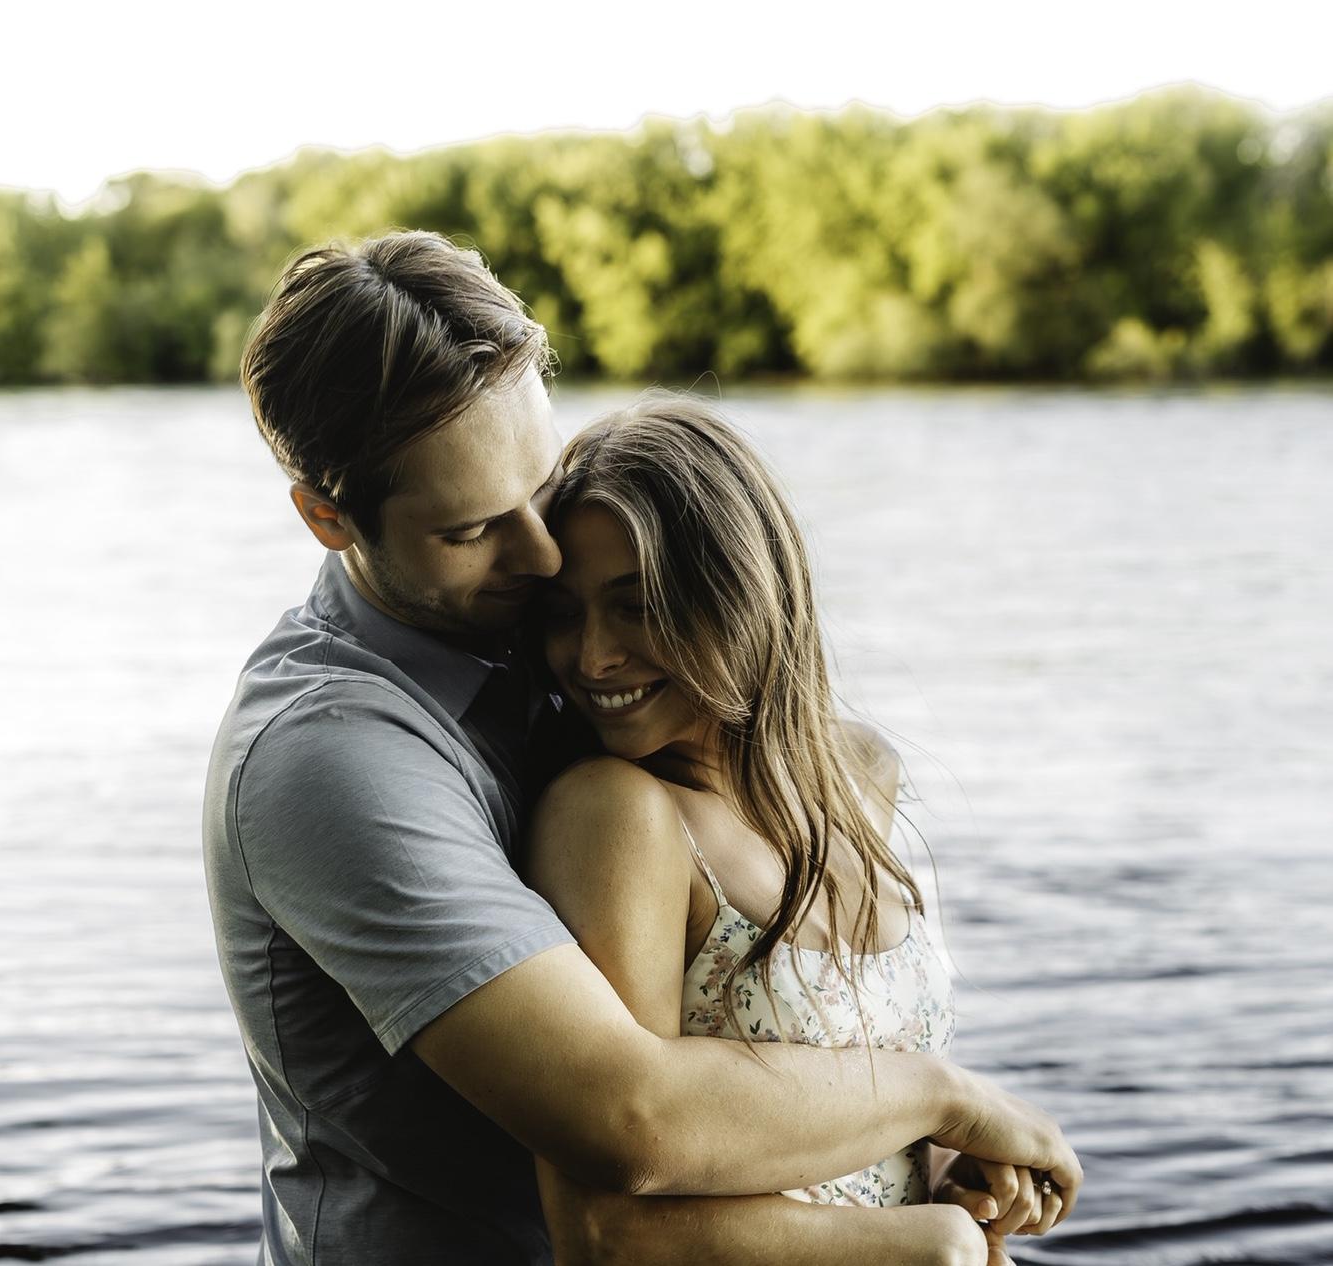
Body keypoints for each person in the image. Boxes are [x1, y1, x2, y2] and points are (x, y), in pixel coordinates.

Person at [203, 229, 1081, 1266]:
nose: (538, 554)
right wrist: (941, 1099)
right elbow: (629, 1117)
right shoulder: (329, 756)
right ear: (327, 518)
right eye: (473, 528)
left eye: (540, 488)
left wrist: (929, 1162)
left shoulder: (543, 646)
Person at [524, 397, 1064, 1265]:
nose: (591, 657)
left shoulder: (861, 775)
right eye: (562, 613)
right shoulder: (618, 817)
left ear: (738, 590)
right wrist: (922, 1244)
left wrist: (952, 1175)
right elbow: (605, 1236)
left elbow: (862, 1106)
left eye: (636, 605)